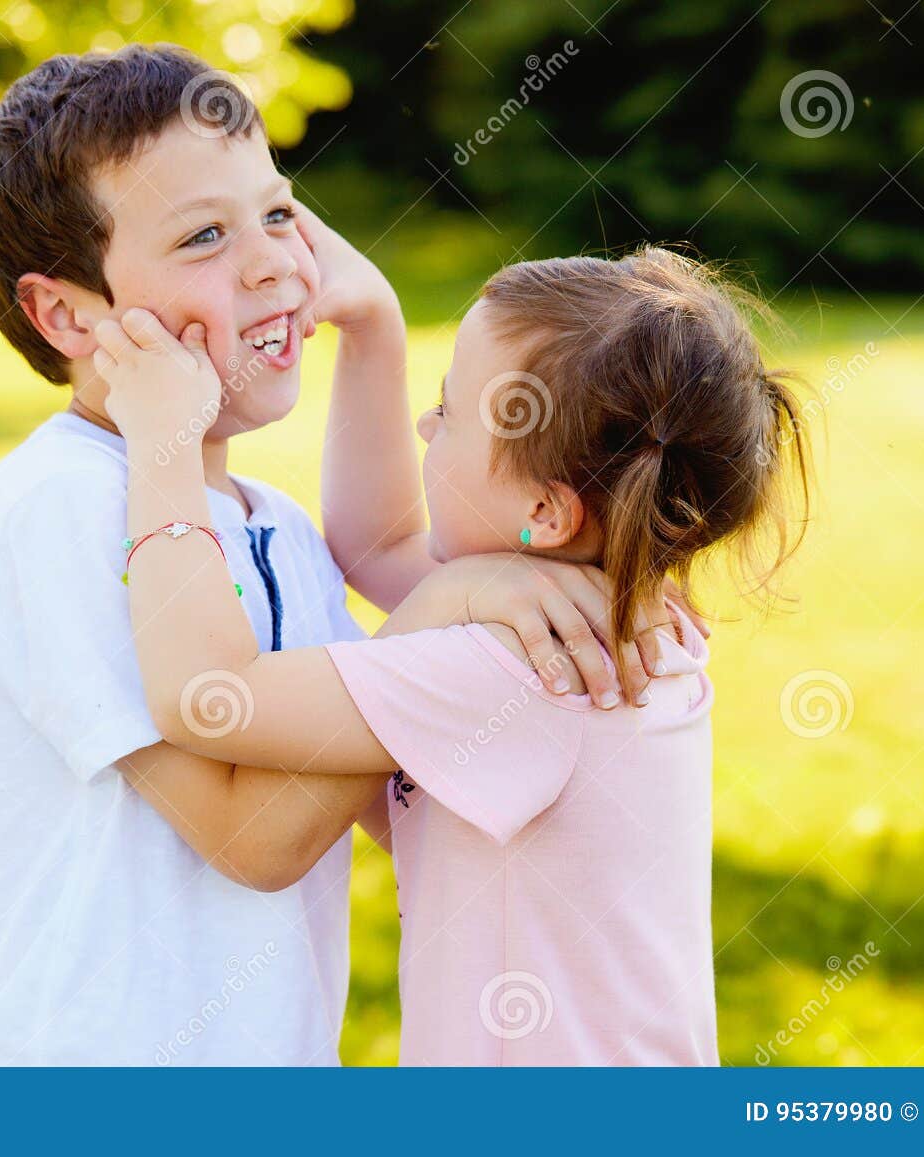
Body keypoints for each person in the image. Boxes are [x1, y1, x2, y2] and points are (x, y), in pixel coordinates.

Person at [99, 246, 811, 1064]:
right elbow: (377, 543)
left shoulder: (519, 667)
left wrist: (163, 444)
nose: (425, 423)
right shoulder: (611, 609)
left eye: (450, 411)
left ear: (544, 511)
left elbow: (206, 691)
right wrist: (370, 327)